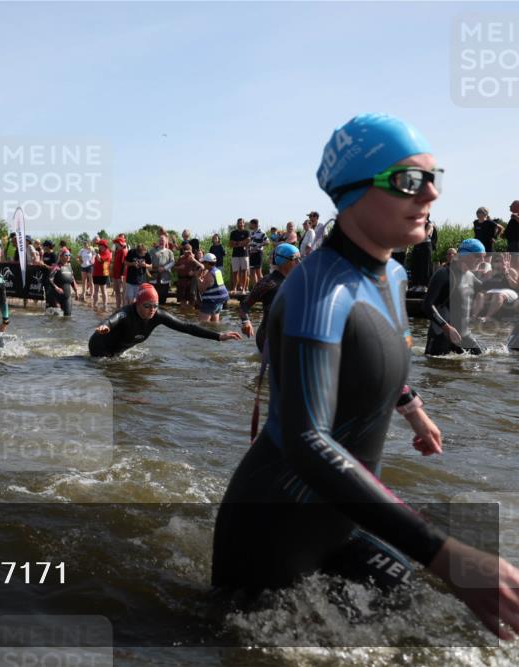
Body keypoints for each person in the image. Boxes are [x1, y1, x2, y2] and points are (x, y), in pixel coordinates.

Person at [213, 113, 519, 642]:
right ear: (352, 192)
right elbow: (308, 441)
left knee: (438, 633)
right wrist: (445, 554)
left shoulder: (394, 274)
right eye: (407, 181)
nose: (430, 195)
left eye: (434, 178)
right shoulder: (316, 289)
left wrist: (412, 407)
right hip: (273, 530)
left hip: (343, 521)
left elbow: (370, 351)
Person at [89, 283, 240, 357]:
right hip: (99, 346)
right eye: (147, 305)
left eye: (155, 305)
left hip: (117, 352)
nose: (152, 310)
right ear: (138, 303)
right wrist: (105, 326)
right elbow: (112, 319)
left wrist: (219, 336)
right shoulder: (127, 313)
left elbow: (187, 327)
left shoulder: (158, 316)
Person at [423, 239, 485, 355]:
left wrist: (506, 275)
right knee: (435, 369)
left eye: (484, 256)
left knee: (482, 360)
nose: (482, 260)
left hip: (464, 334)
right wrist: (446, 327)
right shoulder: (443, 274)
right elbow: (426, 305)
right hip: (441, 334)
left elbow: (488, 289)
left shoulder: (470, 276)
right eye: (478, 256)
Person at [238, 243, 300, 353]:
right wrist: (246, 322)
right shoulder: (269, 282)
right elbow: (244, 305)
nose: (299, 262)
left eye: (300, 258)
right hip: (268, 338)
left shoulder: (295, 281)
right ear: (283, 261)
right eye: (295, 259)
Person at [197, 253, 229, 323]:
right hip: (219, 300)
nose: (202, 264)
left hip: (211, 301)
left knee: (203, 324)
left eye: (203, 262)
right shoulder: (218, 271)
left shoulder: (209, 274)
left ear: (207, 263)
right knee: (214, 323)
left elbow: (201, 290)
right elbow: (214, 284)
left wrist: (198, 278)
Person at [48, 249, 79, 316]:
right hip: (55, 296)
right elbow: (50, 279)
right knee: (56, 317)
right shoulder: (56, 267)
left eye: (69, 255)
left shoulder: (69, 267)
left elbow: (72, 280)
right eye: (66, 255)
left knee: (67, 316)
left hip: (67, 296)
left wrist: (76, 291)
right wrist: (56, 288)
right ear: (61, 256)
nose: (68, 256)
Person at [408, 215, 437, 288]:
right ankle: (415, 285)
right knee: (415, 265)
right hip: (417, 245)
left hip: (425, 246)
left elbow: (426, 234)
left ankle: (424, 286)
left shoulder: (430, 224)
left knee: (425, 266)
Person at [149, 236, 175, 305]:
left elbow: (172, 262)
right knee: (153, 298)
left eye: (163, 240)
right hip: (154, 278)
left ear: (166, 242)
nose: (161, 242)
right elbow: (148, 262)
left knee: (163, 299)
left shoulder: (169, 252)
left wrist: (164, 268)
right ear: (158, 241)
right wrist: (155, 268)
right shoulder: (152, 251)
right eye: (160, 240)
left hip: (165, 279)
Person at [229, 218, 251, 292]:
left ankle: (244, 288)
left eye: (241, 223)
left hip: (244, 254)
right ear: (237, 224)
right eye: (239, 223)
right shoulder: (233, 233)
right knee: (235, 272)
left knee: (244, 272)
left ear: (244, 224)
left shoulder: (247, 232)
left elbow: (247, 241)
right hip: (235, 255)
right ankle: (235, 288)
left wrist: (237, 243)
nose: (240, 224)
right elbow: (230, 244)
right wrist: (241, 243)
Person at [91, 239, 112, 310]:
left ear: (104, 246)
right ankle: (95, 304)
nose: (99, 246)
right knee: (96, 290)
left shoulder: (107, 252)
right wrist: (94, 254)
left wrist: (96, 253)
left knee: (103, 290)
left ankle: (105, 305)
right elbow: (93, 261)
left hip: (104, 273)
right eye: (98, 245)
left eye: (100, 245)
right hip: (96, 273)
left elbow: (100, 260)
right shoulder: (99, 252)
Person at [248, 219, 268, 284]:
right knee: (252, 272)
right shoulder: (251, 232)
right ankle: (256, 289)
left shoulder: (262, 232)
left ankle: (263, 288)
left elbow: (267, 241)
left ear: (254, 224)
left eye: (250, 224)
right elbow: (250, 242)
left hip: (258, 254)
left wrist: (258, 245)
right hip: (251, 254)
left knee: (258, 272)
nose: (249, 225)